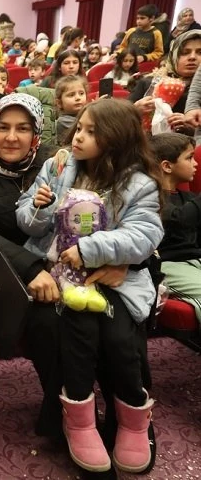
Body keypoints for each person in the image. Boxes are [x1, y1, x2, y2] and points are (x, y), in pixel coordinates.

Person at [16, 99, 162, 474]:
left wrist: (90, 250)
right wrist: (40, 207)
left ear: (116, 138)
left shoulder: (138, 184)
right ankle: (79, 420)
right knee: (78, 333)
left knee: (119, 337)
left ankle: (132, 419)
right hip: (60, 275)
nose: (78, 136)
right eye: (79, 128)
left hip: (113, 278)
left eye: (91, 131)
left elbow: (145, 235)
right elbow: (26, 222)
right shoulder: (58, 166)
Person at [150, 132, 201, 327]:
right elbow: (179, 219)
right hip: (169, 264)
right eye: (189, 158)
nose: (195, 163)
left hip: (195, 261)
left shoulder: (188, 198)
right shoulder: (151, 198)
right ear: (167, 166)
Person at [132, 29, 201, 135]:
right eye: (184, 53)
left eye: (200, 53)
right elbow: (118, 121)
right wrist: (135, 110)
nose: (192, 57)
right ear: (174, 55)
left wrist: (193, 128)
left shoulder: (197, 93)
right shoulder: (149, 82)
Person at [54, 75, 88, 146]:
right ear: (59, 103)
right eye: (71, 95)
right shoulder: (63, 121)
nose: (78, 98)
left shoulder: (86, 115)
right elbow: (86, 130)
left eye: (81, 93)